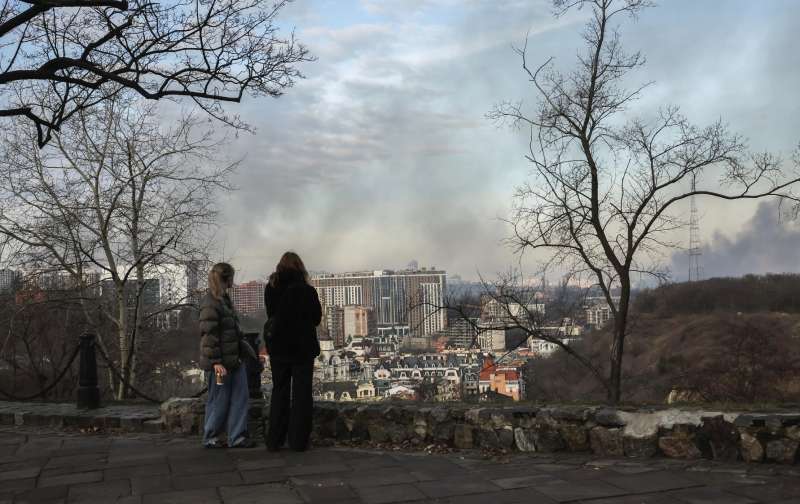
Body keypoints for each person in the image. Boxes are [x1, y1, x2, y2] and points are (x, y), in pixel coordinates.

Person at [264, 251, 321, 451]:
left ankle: (274, 439)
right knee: (301, 393)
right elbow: (316, 319)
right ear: (300, 267)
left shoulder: (271, 288)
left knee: (279, 391)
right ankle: (298, 440)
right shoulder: (307, 291)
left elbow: (271, 314)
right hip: (302, 348)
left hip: (278, 347)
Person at [198, 262, 256, 448]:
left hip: (233, 358)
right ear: (227, 278)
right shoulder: (211, 302)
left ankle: (237, 436)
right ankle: (211, 436)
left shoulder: (222, 299)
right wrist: (215, 362)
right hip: (222, 362)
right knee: (219, 400)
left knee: (241, 396)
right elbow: (209, 334)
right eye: (232, 277)